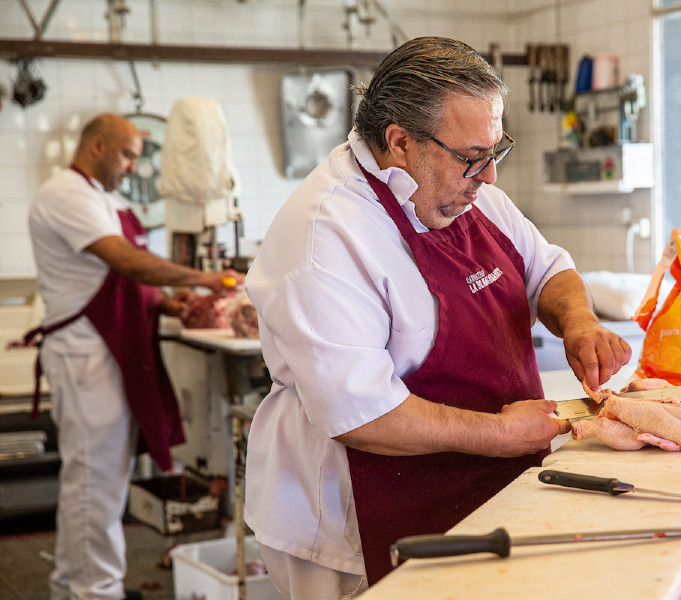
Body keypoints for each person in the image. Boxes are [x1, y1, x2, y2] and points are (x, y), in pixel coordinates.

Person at [243, 37, 632, 599]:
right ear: (400, 142)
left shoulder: (470, 193)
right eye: (474, 157)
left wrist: (579, 322)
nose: (490, 177)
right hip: (362, 520)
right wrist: (502, 434)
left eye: (497, 152)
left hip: (490, 491)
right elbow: (363, 417)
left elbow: (549, 271)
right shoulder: (325, 235)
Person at [27, 113, 243, 600]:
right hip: (86, 356)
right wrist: (205, 279)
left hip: (109, 353)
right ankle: (95, 592)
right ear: (99, 146)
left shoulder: (104, 200)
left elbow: (117, 282)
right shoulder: (67, 193)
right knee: (94, 485)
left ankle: (75, 586)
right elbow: (124, 262)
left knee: (99, 482)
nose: (132, 167)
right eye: (127, 155)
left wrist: (168, 301)